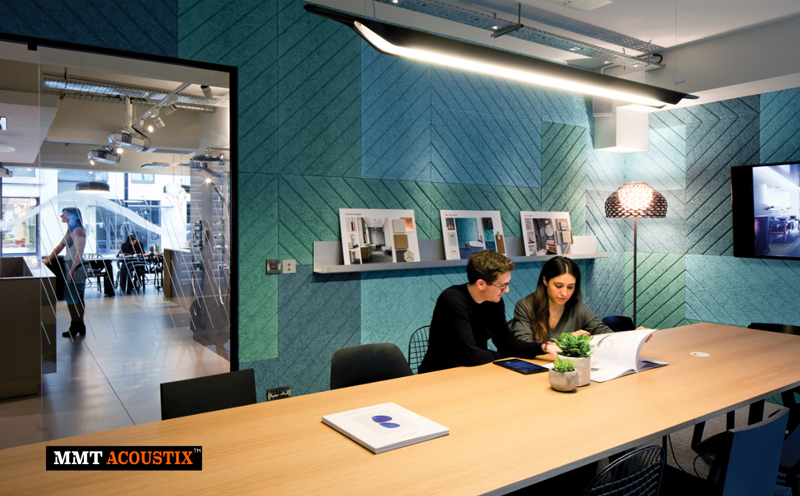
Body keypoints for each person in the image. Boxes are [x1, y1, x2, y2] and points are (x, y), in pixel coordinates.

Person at [418, 250, 559, 373]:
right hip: (439, 375)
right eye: (502, 286)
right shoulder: (452, 300)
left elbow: (507, 342)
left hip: (474, 372)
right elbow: (471, 355)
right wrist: (503, 356)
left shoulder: (494, 302)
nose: (507, 290)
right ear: (481, 284)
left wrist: (544, 347)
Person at [508, 256, 612, 343]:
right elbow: (524, 344)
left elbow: (605, 333)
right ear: (545, 281)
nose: (564, 293)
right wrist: (565, 340)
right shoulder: (526, 306)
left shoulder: (578, 308)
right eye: (558, 286)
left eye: (570, 287)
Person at [44, 207, 88, 338]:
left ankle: (76, 326)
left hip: (76, 267)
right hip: (70, 265)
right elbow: (60, 246)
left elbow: (79, 251)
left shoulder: (78, 230)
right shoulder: (71, 230)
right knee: (72, 298)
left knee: (75, 298)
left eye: (64, 214)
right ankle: (78, 325)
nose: (61, 216)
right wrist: (47, 260)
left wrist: (73, 268)